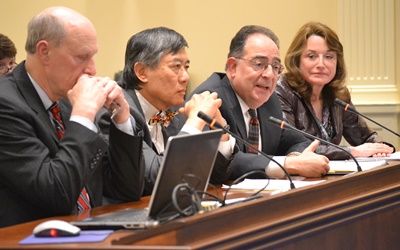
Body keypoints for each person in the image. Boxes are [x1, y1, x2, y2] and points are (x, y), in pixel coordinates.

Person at [0, 6, 145, 228]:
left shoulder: (68, 101)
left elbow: (126, 190)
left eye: (93, 56)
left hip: (91, 232)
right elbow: (56, 194)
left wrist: (122, 118)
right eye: (81, 57)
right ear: (44, 51)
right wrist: (84, 115)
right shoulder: (6, 104)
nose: (93, 69)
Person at [97, 27, 232, 195]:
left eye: (186, 67)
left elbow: (217, 174)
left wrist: (219, 127)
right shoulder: (116, 110)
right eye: (176, 66)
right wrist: (194, 123)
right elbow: (155, 178)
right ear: (142, 72)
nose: (185, 77)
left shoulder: (174, 109)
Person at [187, 25, 330, 183]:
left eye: (275, 67)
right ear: (233, 67)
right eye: (259, 64)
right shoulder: (210, 100)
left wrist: (295, 158)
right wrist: (288, 165)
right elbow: (220, 163)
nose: (269, 74)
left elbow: (299, 141)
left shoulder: (269, 101)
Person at [276, 22, 394, 160]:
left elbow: (365, 137)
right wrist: (351, 151)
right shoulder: (282, 89)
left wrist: (380, 148)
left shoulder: (338, 94)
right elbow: (295, 146)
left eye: (329, 57)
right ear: (297, 61)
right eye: (312, 56)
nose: (321, 64)